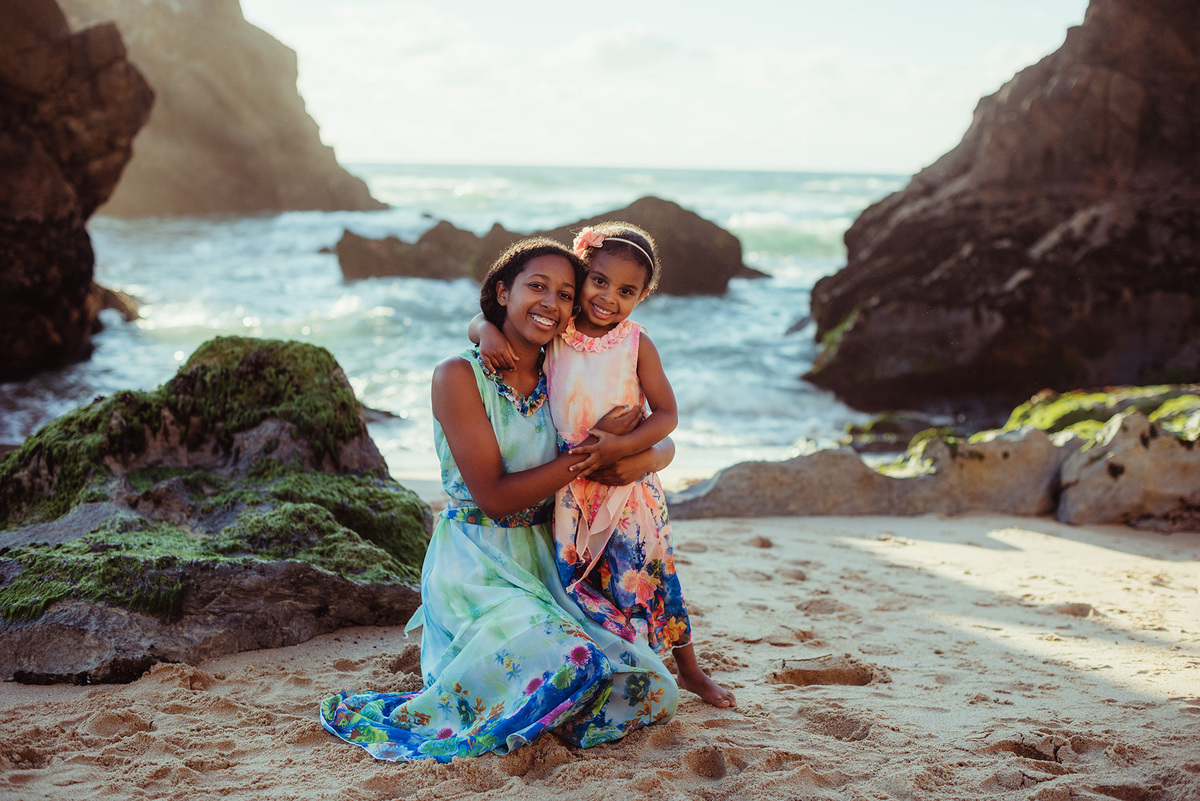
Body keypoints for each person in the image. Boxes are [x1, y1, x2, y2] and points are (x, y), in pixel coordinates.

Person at [320, 238, 679, 762]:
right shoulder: (458, 375)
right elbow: (493, 499)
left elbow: (655, 428)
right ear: (503, 291)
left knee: (653, 687)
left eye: (565, 294)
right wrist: (590, 451)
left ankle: (545, 711)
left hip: (549, 561)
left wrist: (652, 454)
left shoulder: (563, 367)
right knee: (574, 661)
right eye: (537, 287)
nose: (550, 303)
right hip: (475, 565)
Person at [470, 222, 735, 709]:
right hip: (569, 490)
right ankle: (618, 663)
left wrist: (622, 446)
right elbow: (487, 319)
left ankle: (691, 670)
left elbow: (667, 415)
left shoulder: (636, 343)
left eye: (626, 291)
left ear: (642, 297)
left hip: (628, 489)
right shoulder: (559, 332)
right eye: (598, 281)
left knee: (649, 574)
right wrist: (485, 330)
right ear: (582, 276)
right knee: (586, 583)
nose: (609, 298)